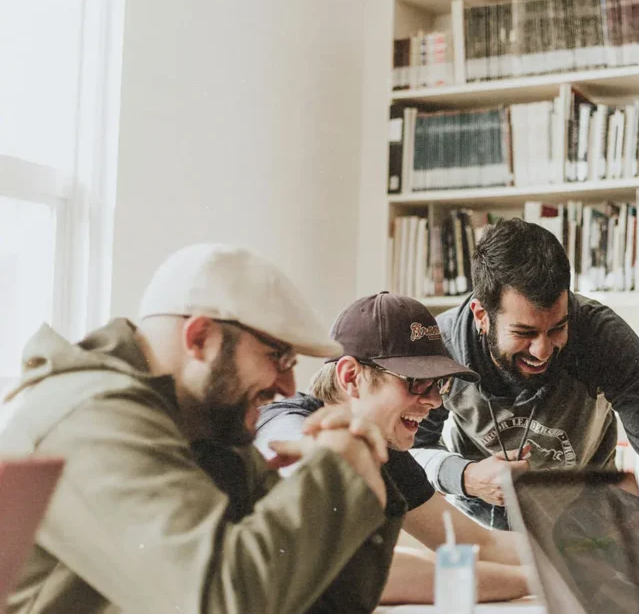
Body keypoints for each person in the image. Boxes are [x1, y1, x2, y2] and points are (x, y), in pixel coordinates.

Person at [0, 243, 401, 614]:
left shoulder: (206, 426)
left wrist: (361, 472)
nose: (288, 387)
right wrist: (336, 473)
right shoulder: (91, 419)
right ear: (200, 337)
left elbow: (320, 603)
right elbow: (219, 603)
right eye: (276, 356)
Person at [410, 217, 639, 567]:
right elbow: (411, 451)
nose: (542, 350)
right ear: (482, 315)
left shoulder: (602, 337)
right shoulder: (442, 347)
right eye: (524, 333)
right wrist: (465, 477)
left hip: (589, 530)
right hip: (484, 537)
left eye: (557, 328)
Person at [253, 291, 530, 604]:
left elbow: (477, 542)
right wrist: (536, 580)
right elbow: (353, 569)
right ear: (351, 377)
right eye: (416, 381)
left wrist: (577, 554)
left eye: (438, 384)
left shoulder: (385, 450)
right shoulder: (288, 427)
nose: (435, 401)